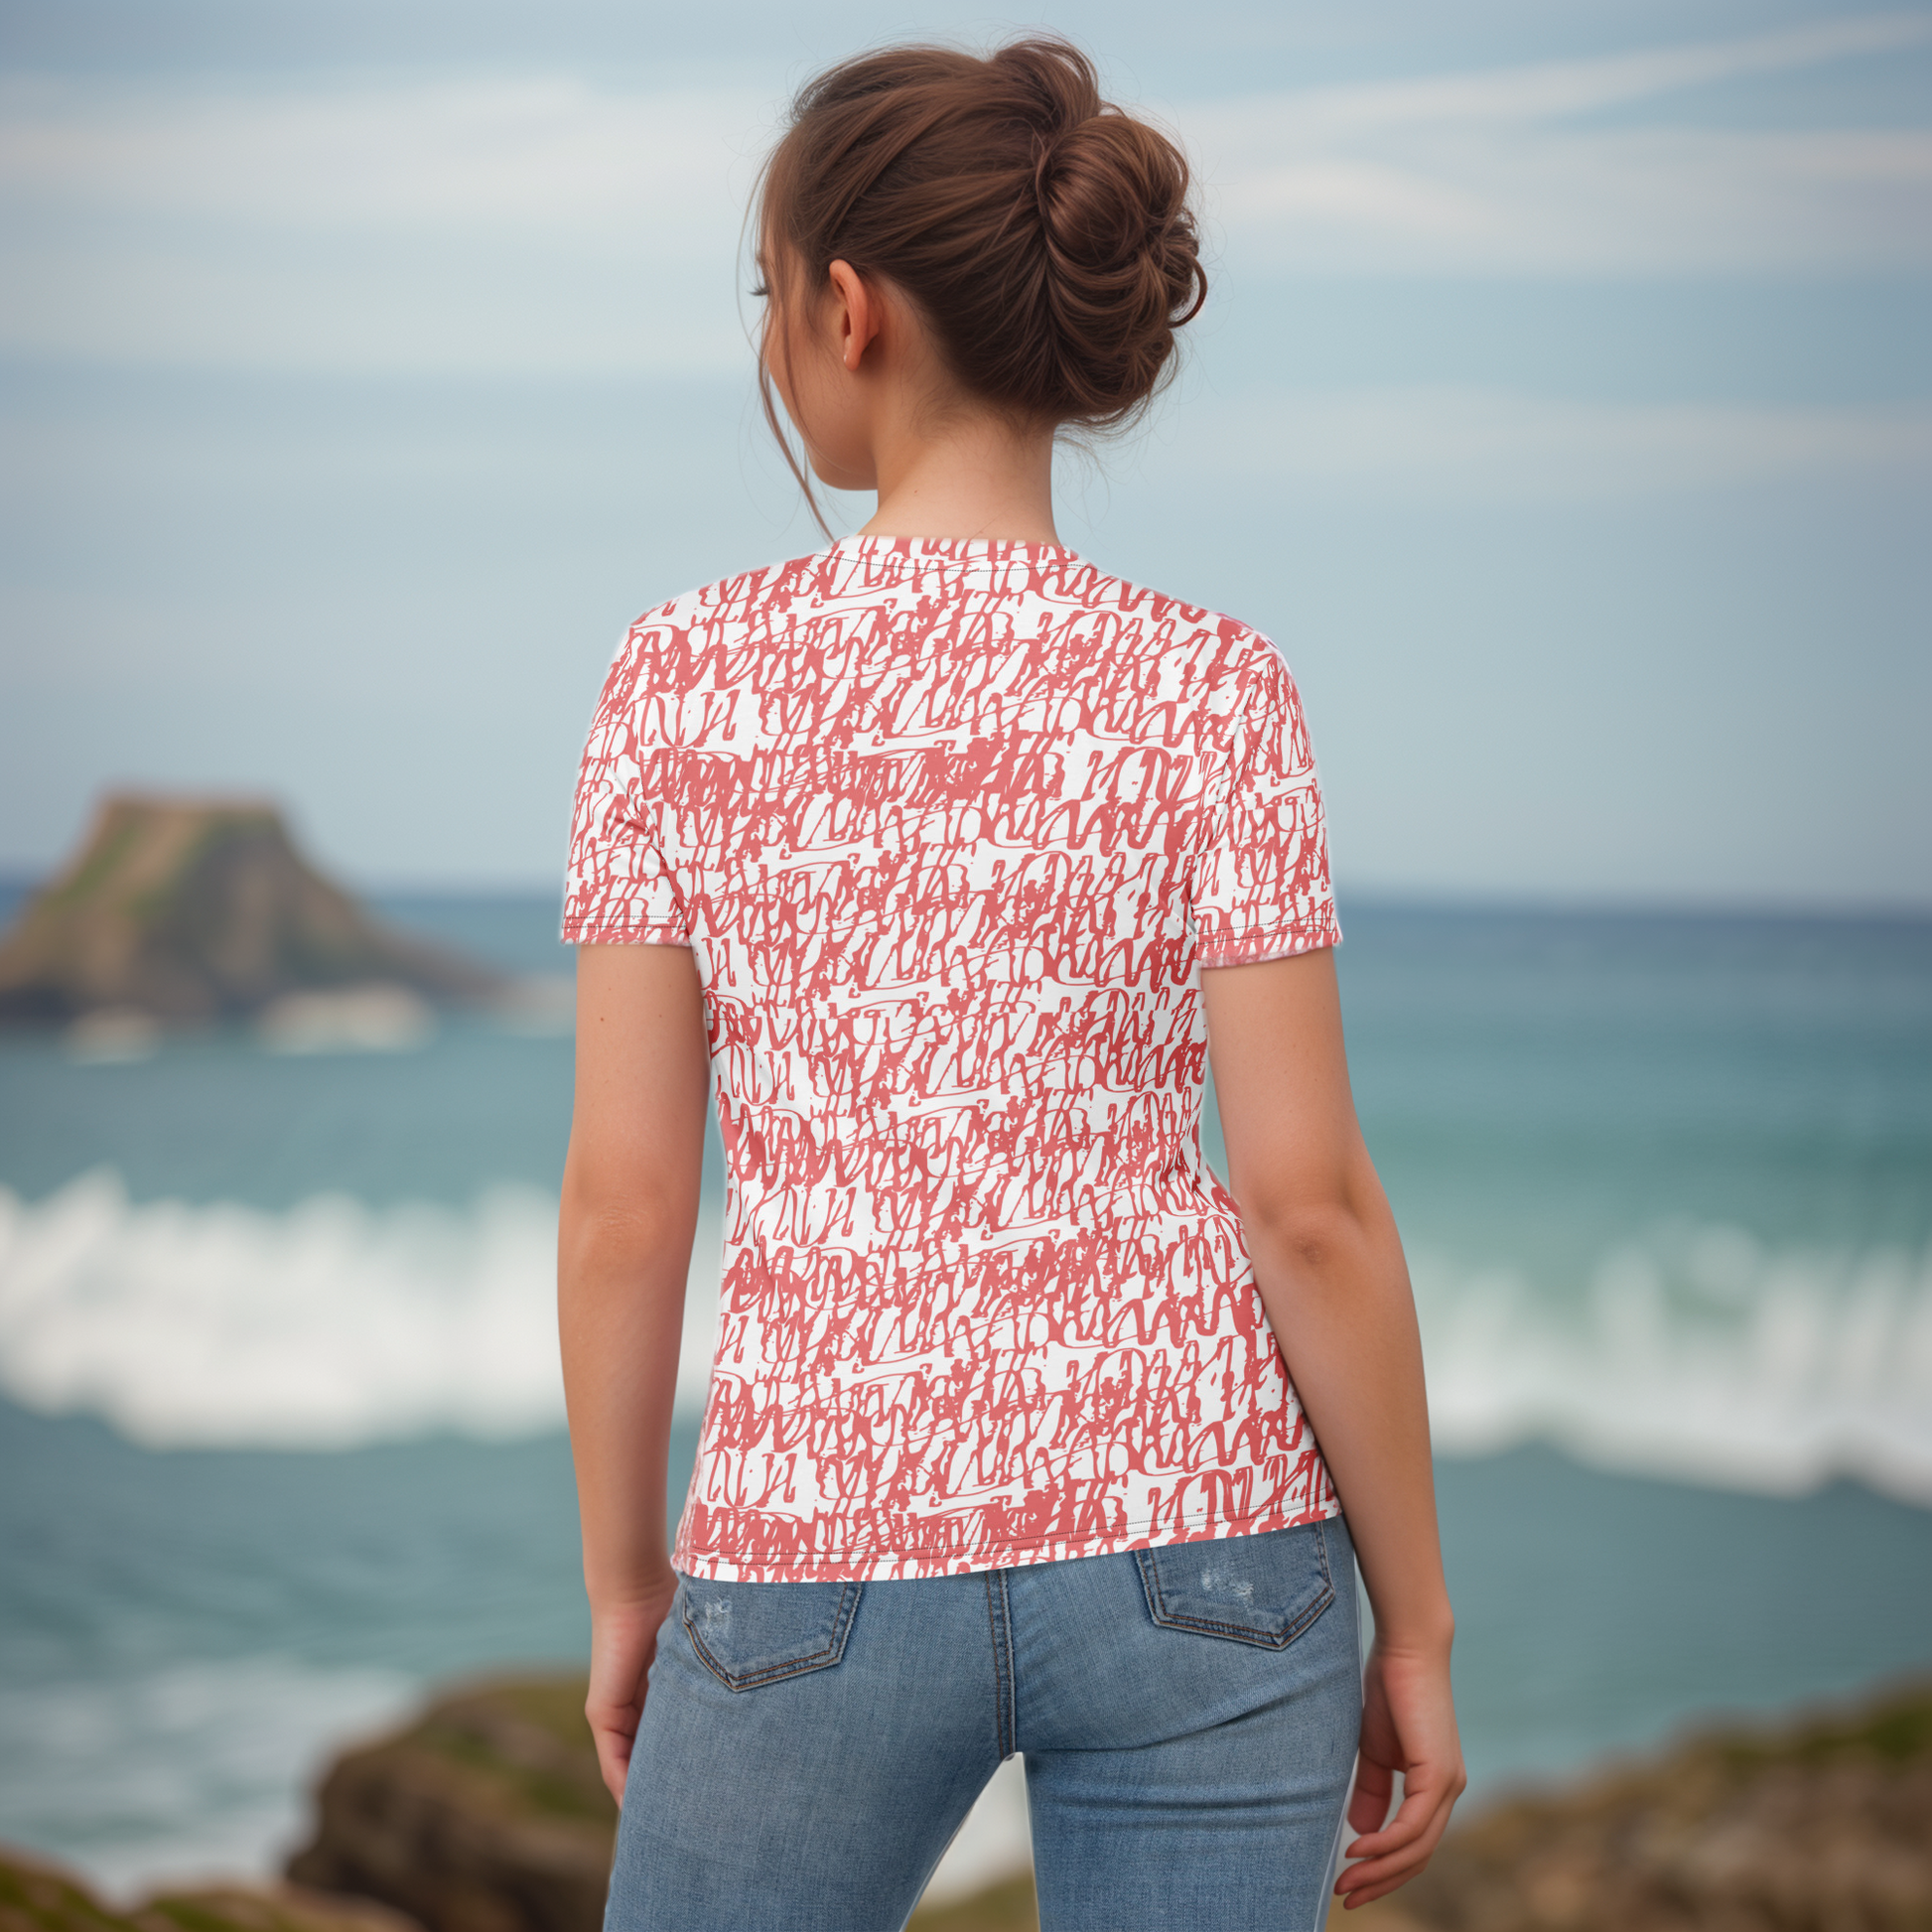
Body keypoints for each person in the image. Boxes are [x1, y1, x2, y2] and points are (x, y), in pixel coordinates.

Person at [558, 36, 1463, 1932]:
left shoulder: (677, 681)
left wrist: (630, 1583)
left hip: (811, 1532)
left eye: (765, 295)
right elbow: (1306, 1203)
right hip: (1208, 1547)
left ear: (846, 308)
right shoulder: (1214, 687)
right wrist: (1416, 1622)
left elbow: (627, 1206)